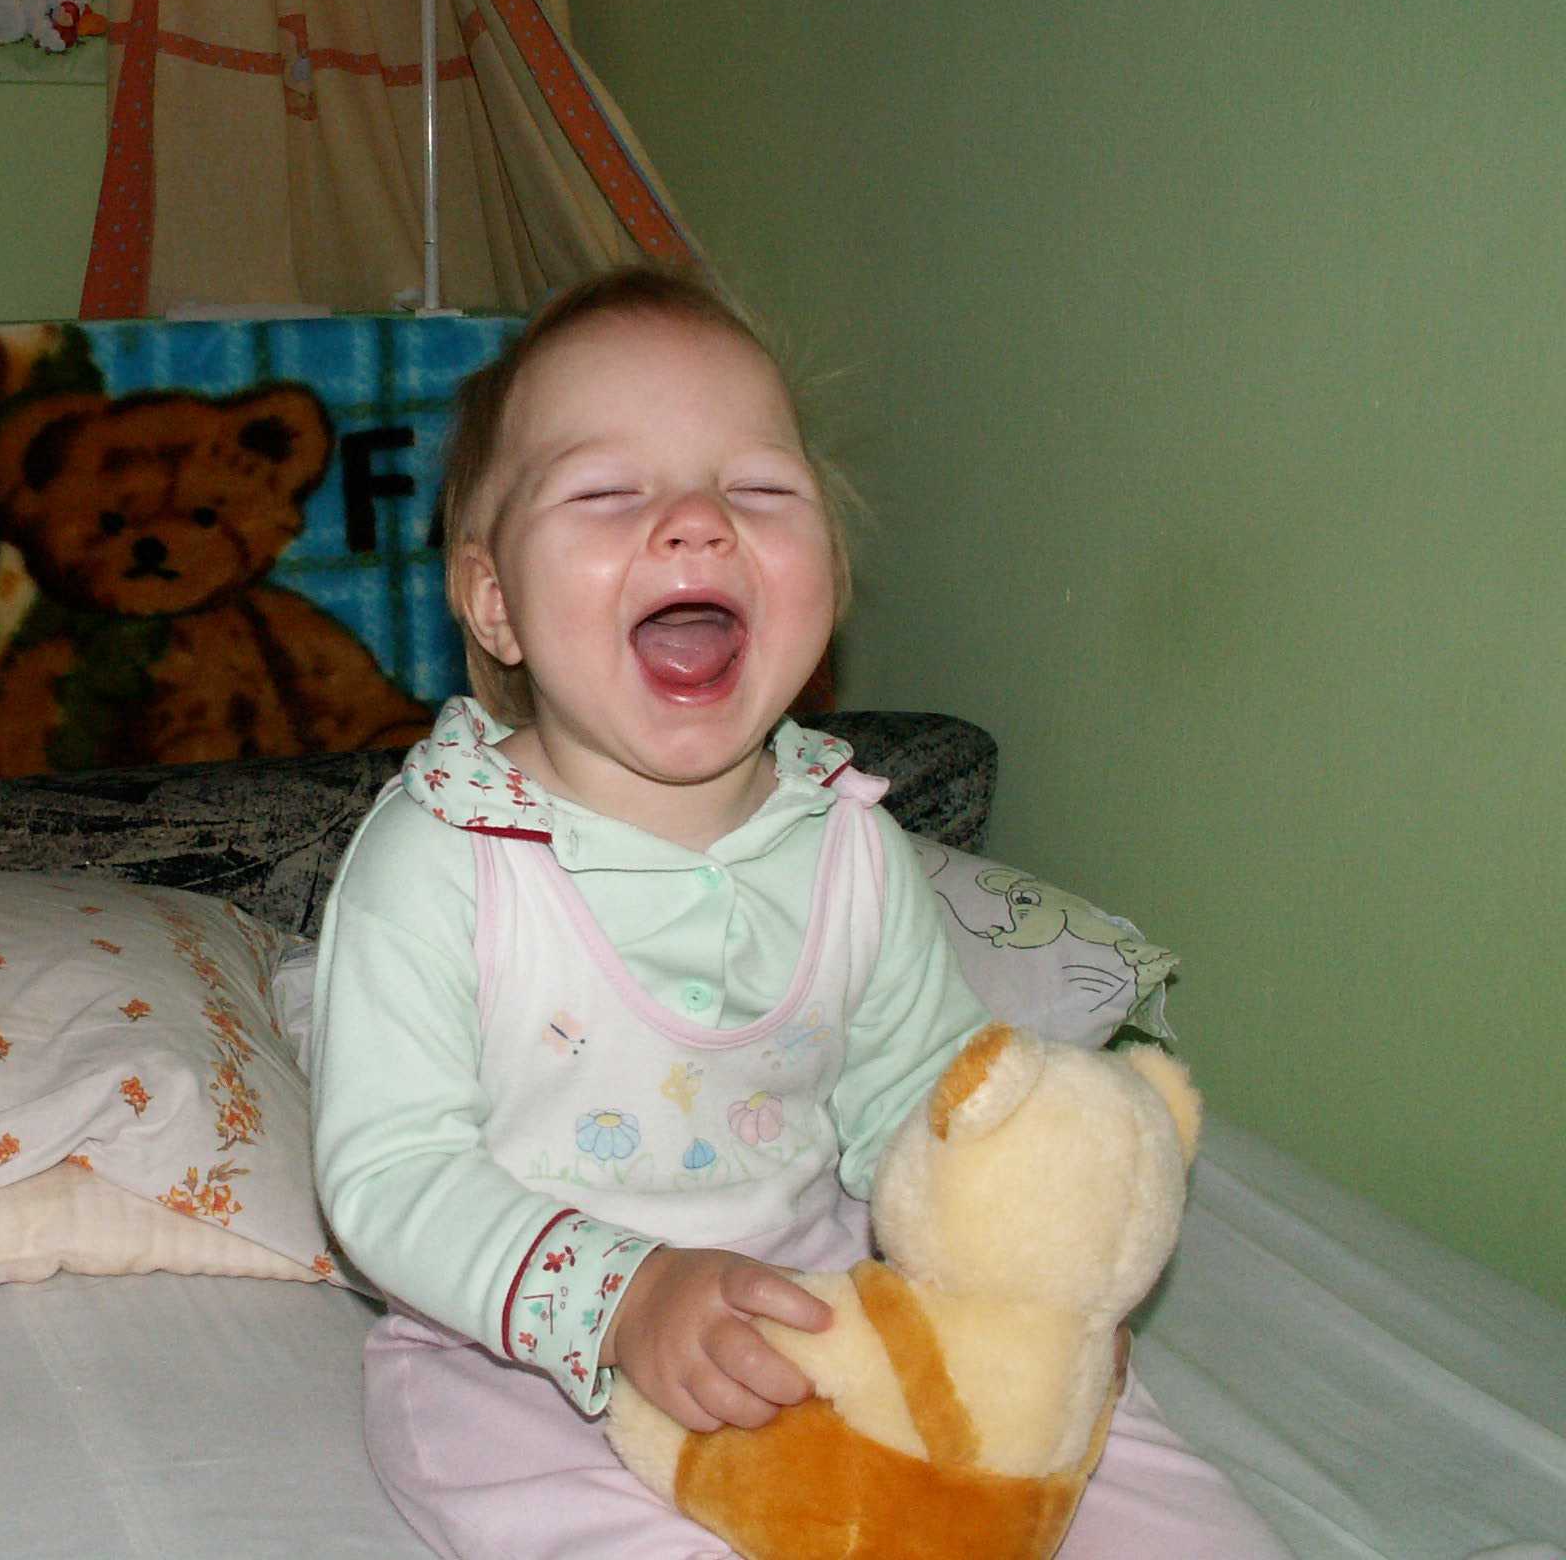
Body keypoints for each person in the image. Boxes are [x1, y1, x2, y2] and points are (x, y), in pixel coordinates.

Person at [307, 267, 1290, 1559]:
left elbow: (913, 1095)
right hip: (522, 1352)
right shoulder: (445, 858)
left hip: (817, 1298)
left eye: (759, 491)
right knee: (548, 1493)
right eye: (608, 494)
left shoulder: (852, 846)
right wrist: (622, 1301)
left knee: (1100, 1450)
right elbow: (390, 1174)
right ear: (495, 602)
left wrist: (1023, 1240)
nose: (697, 524)